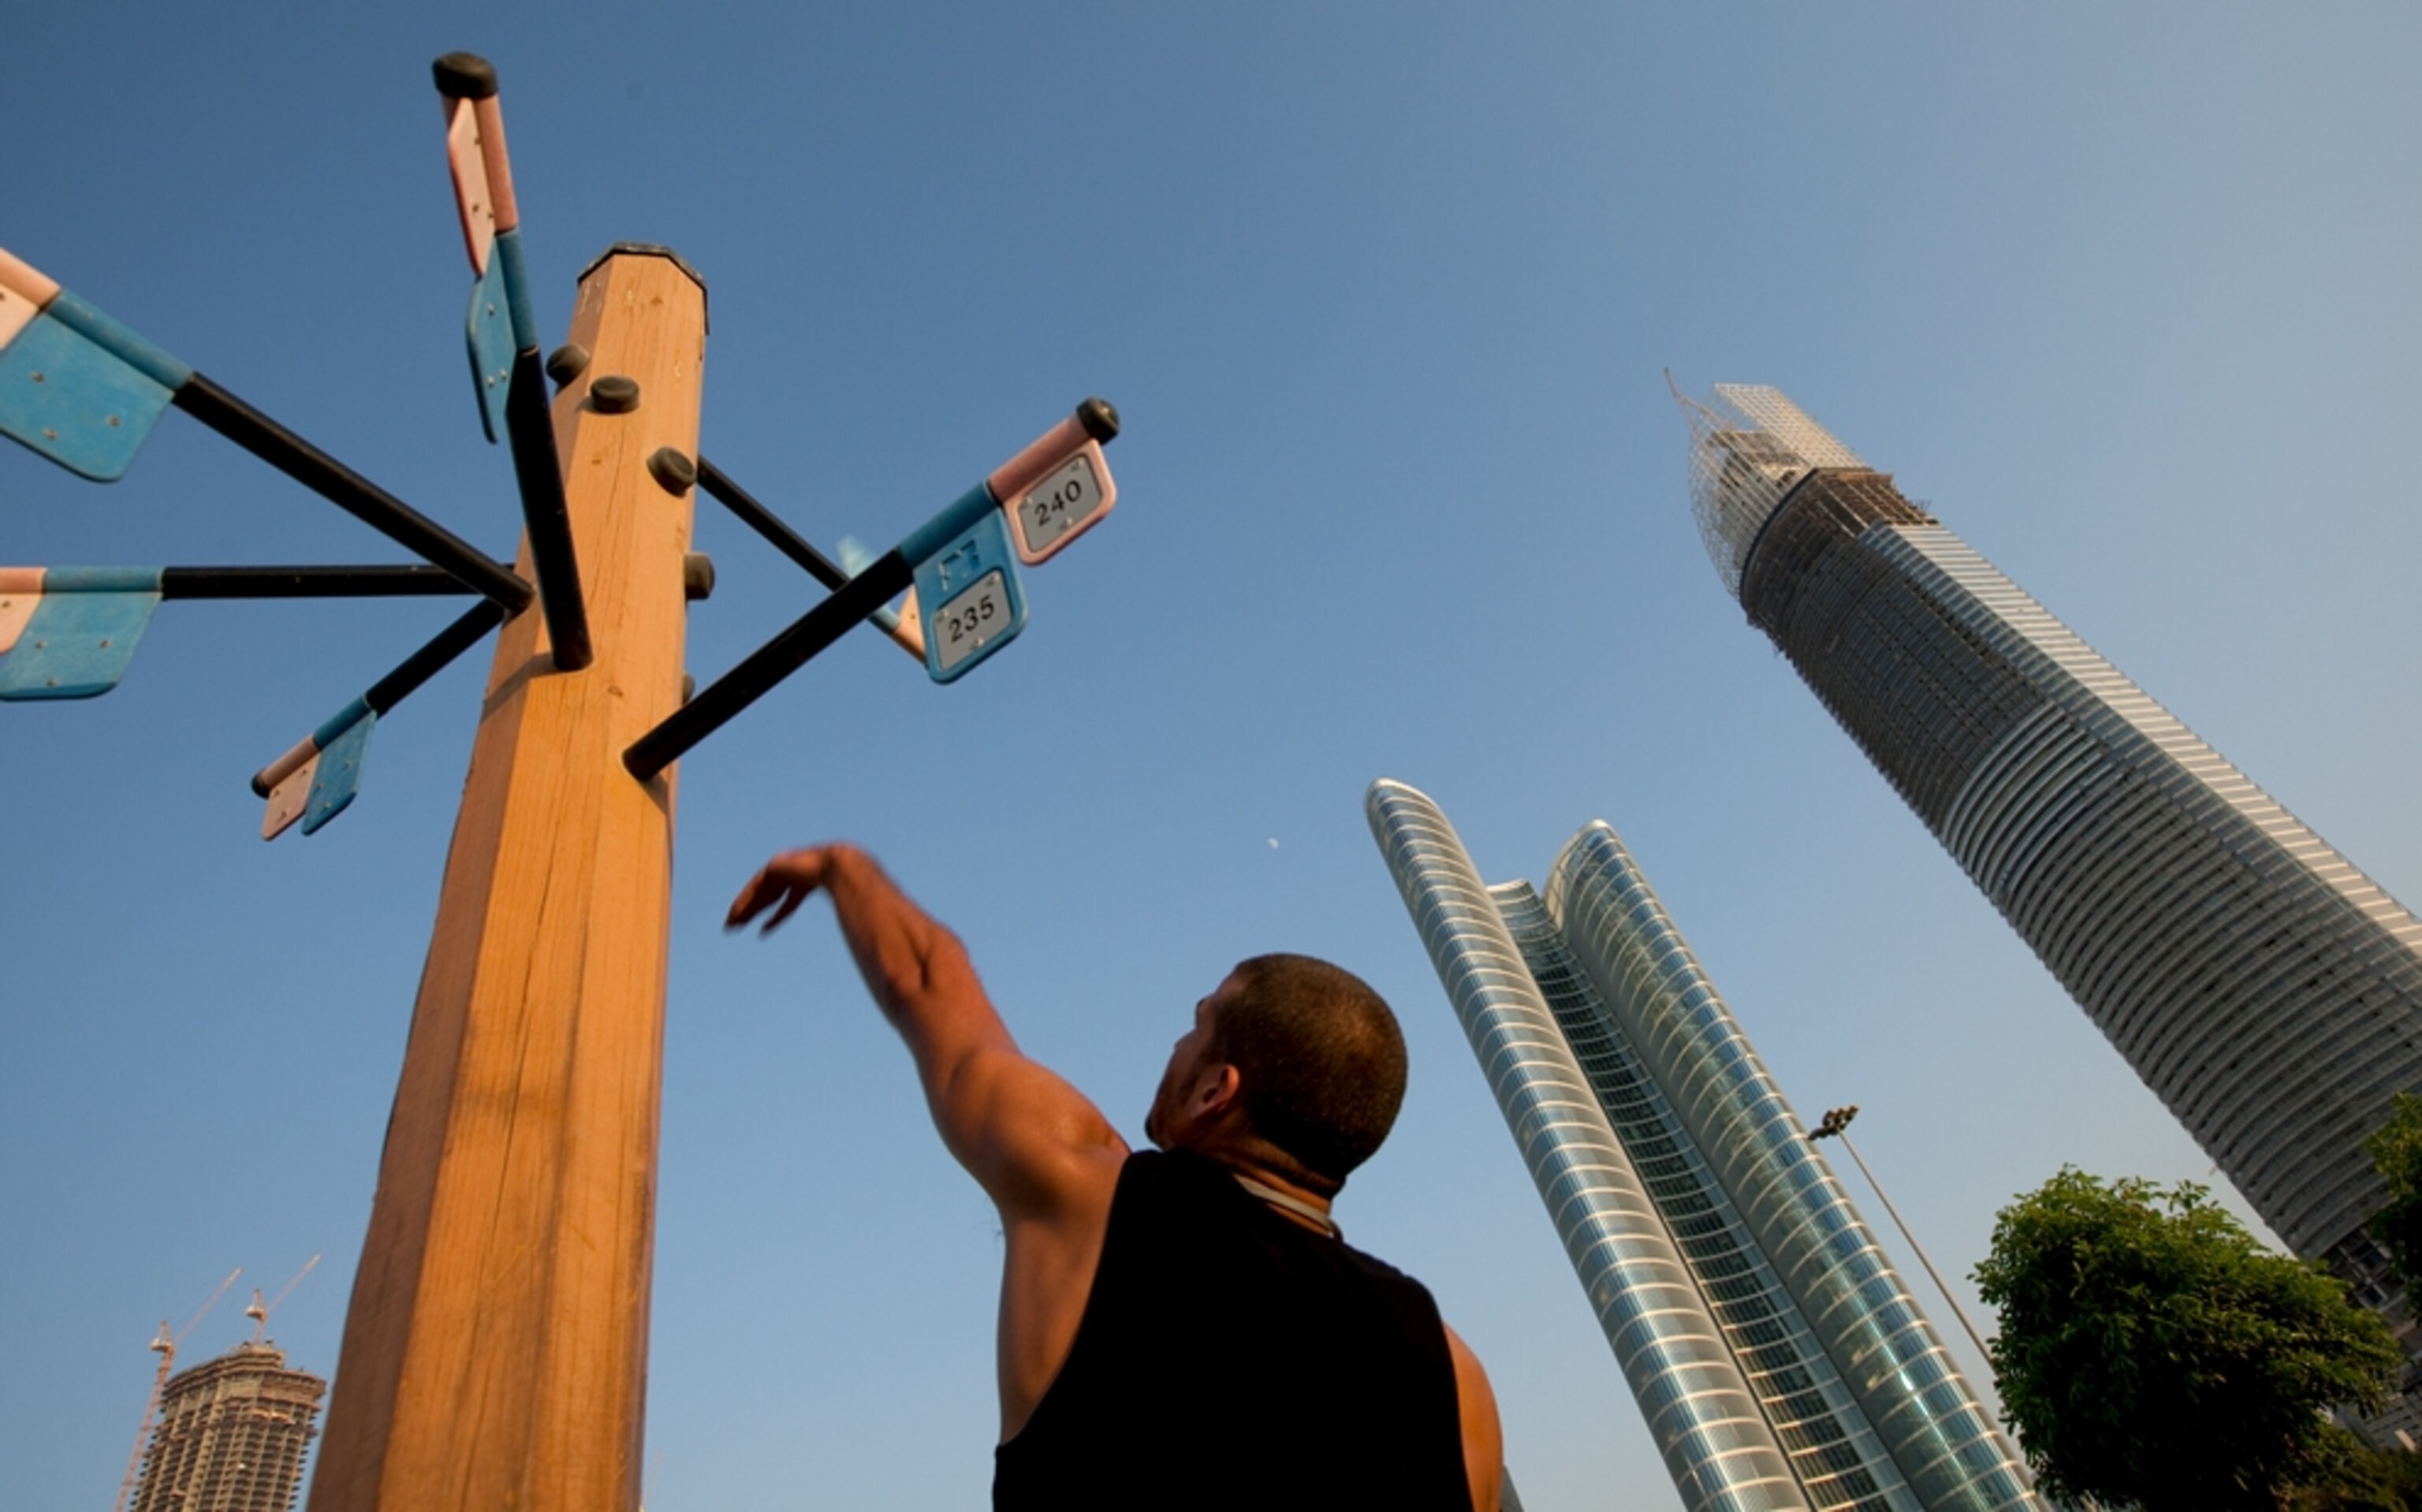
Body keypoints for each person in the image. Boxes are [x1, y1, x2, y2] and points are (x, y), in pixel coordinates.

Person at [728, 842, 1502, 1511]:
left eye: (1196, 1021)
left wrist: (843, 867)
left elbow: (930, 987)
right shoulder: (1456, 1374)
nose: (1176, 1040)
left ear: (1213, 1091)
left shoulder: (1089, 1192)